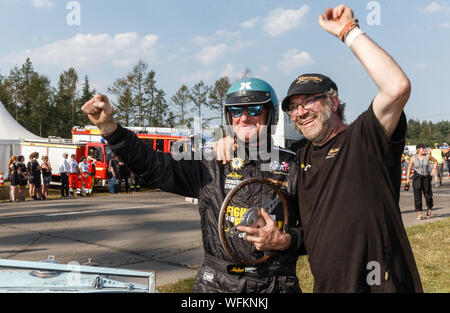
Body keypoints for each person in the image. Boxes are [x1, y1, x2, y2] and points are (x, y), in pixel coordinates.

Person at [82, 79, 305, 293]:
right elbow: (152, 166)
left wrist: (285, 240)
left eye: (255, 109)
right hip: (216, 284)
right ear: (229, 117)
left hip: (276, 283)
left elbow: (321, 234)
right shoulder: (209, 163)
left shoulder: (295, 166)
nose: (244, 117)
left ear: (271, 114)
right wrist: (110, 128)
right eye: (236, 111)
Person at [277, 5, 422, 292]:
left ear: (333, 102)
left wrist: (349, 32)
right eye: (293, 108)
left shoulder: (365, 137)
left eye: (308, 102)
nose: (300, 112)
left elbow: (397, 87)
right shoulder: (301, 156)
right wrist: (231, 140)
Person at [406, 144, 437, 220]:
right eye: (423, 148)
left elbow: (435, 161)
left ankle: (429, 210)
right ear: (418, 149)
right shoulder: (413, 158)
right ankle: (419, 213)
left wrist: (433, 169)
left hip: (426, 178)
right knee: (417, 196)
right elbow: (409, 168)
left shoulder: (428, 156)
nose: (424, 150)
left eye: (424, 148)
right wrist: (407, 179)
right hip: (417, 178)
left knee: (428, 196)